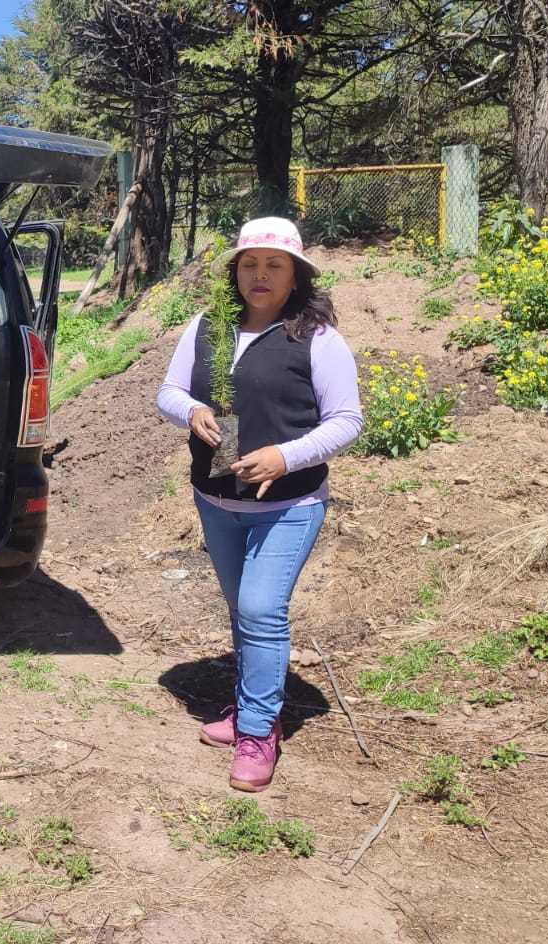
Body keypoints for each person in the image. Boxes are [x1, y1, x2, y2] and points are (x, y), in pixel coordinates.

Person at [157, 217, 363, 791]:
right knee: (242, 609)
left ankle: (257, 730)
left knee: (259, 610)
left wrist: (285, 457)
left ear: (295, 276)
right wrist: (189, 411)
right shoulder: (206, 327)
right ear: (235, 272)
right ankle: (250, 705)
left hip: (288, 506)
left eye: (274, 265)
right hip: (216, 500)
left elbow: (347, 421)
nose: (260, 275)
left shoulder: (316, 337)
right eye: (250, 264)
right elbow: (169, 391)